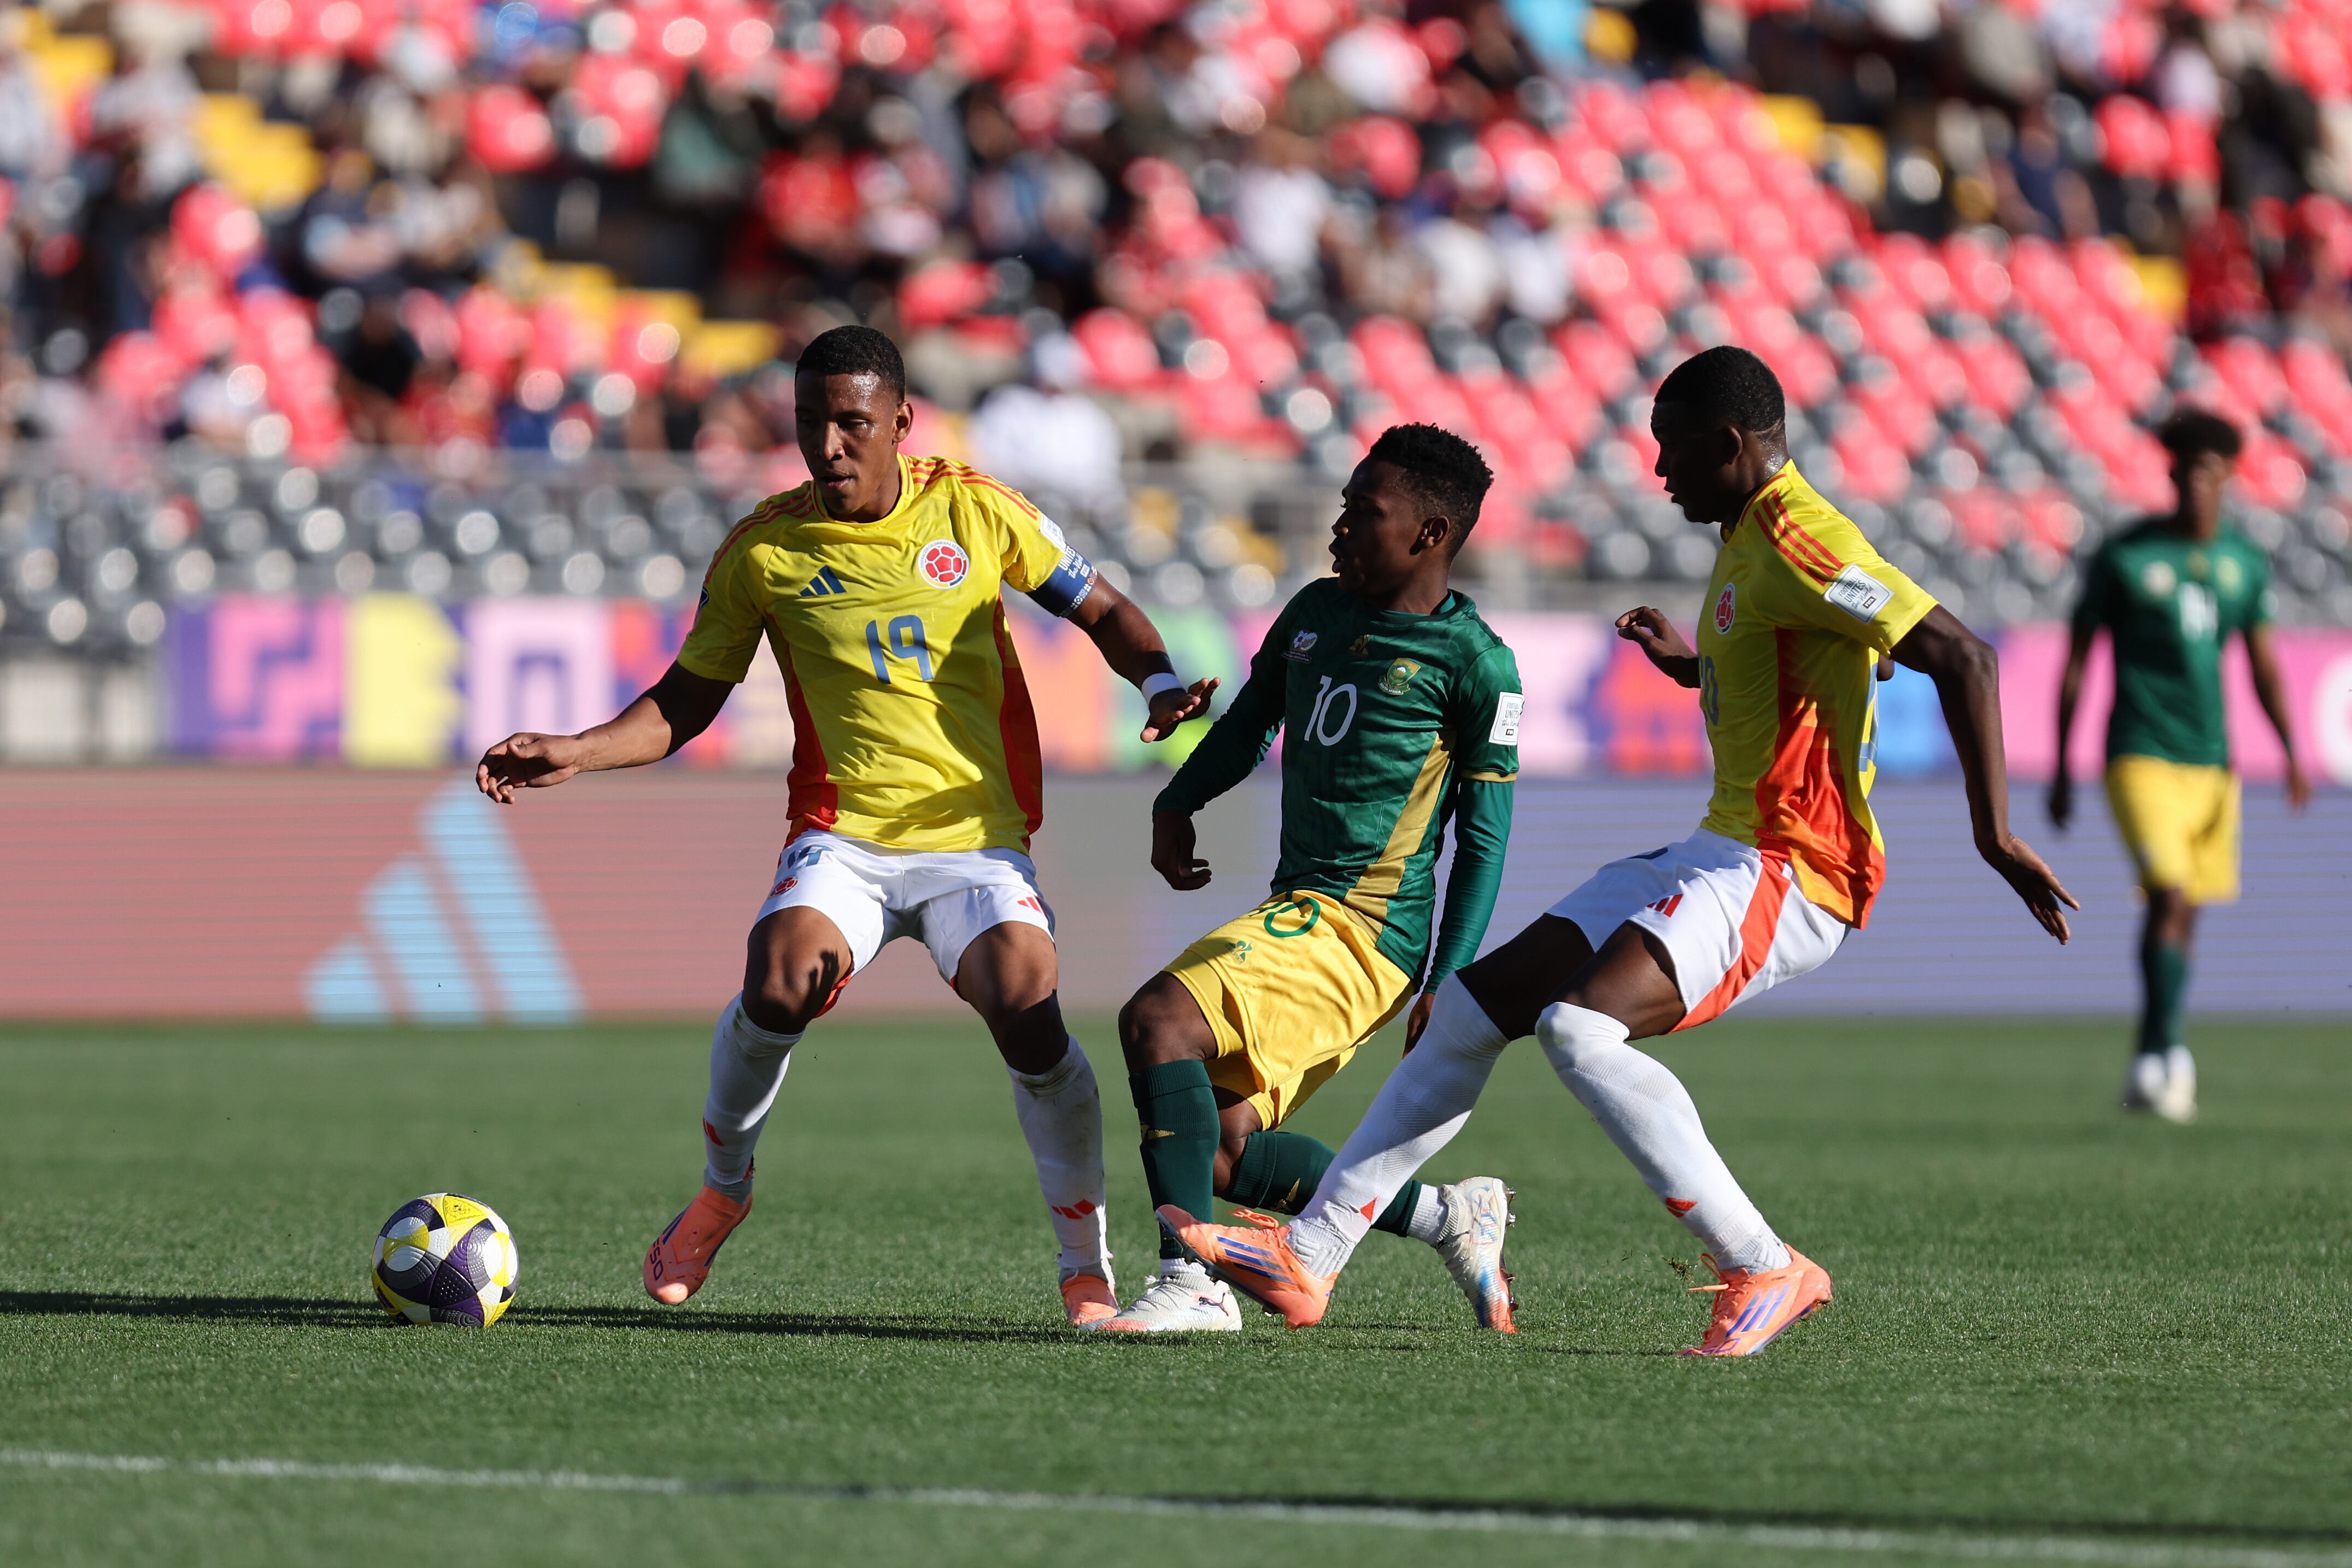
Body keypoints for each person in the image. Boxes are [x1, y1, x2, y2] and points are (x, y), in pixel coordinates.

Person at [1161, 347, 2078, 1355]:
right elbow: (1799, 662)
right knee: (1467, 1011)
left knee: (1579, 1031)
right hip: (1723, 848)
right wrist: (1697, 668)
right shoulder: (1749, 535)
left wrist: (1991, 832)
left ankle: (1760, 1262)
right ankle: (1313, 1253)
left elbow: (1960, 653)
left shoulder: (1805, 536)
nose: (1657, 470)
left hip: (1795, 868)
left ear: (1730, 446)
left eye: (1671, 448)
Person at [474, 325, 1214, 1325]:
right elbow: (686, 701)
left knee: (1027, 998)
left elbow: (1102, 606)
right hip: (844, 837)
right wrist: (579, 747)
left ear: (901, 423)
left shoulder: (975, 509)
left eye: (852, 423)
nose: (828, 445)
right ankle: (722, 1190)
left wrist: (1160, 681)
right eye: (811, 422)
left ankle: (1085, 1264)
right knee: (780, 975)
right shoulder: (764, 549)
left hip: (975, 837)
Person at [1101, 424, 1523, 1334]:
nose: (1339, 528)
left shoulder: (1476, 663)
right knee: (1216, 1150)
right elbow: (1254, 720)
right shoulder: (1314, 613)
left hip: (1366, 932)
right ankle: (1452, 1215)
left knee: (1158, 1020)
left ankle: (1193, 1283)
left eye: (1363, 513)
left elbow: (1483, 841)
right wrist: (1179, 799)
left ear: (1431, 533)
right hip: (1301, 910)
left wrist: (1448, 982)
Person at [2049, 409, 2309, 1123]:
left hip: (2213, 764)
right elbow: (2076, 660)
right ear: (2170, 475)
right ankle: (2163, 1053)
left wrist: (2288, 750)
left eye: (2209, 470)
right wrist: (2066, 762)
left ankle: (2156, 1049)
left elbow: (2261, 666)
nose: (2196, 481)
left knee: (2186, 910)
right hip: (2138, 752)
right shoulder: (2127, 557)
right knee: (2166, 892)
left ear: (2227, 478)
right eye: (2185, 468)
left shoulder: (2243, 564)